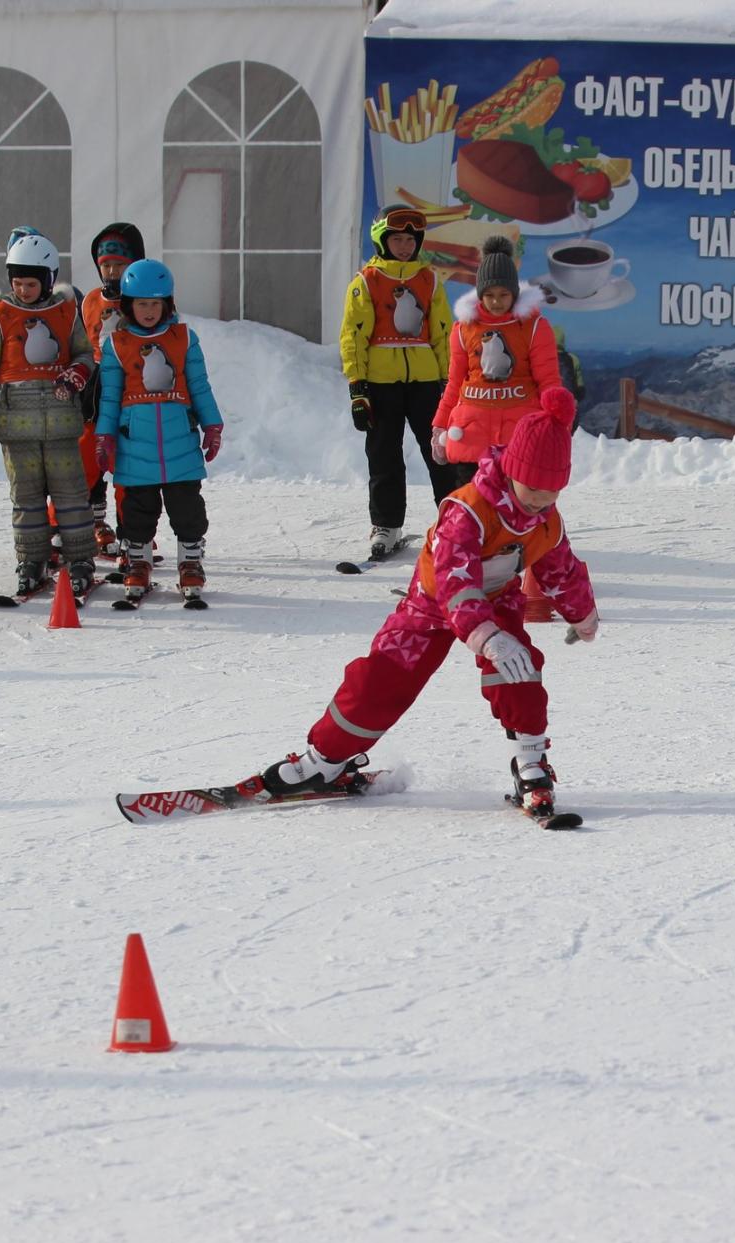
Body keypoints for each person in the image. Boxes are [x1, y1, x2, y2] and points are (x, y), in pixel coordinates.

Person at [259, 387, 598, 822]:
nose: (539, 500)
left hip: (495, 605)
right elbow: (455, 584)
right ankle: (324, 760)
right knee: (380, 680)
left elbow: (560, 569)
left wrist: (581, 613)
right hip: (433, 606)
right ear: (513, 469)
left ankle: (531, 766)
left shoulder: (545, 519)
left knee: (521, 668)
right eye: (533, 487)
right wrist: (487, 637)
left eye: (551, 492)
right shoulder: (467, 510)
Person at [0, 231, 96, 597]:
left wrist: (77, 372)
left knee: (70, 496)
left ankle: (79, 558)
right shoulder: (1, 316)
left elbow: (84, 354)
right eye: (17, 283)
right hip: (17, 426)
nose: (23, 290)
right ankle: (32, 559)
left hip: (62, 424)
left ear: (48, 279)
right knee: (27, 499)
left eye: (31, 283)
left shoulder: (67, 312)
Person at [92, 259, 224, 604]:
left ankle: (191, 562)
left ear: (167, 303)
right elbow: (108, 397)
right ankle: (138, 563)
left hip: (180, 441)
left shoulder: (183, 338)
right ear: (127, 305)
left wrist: (212, 424)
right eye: (141, 303)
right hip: (135, 444)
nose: (149, 311)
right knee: (137, 510)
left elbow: (199, 385)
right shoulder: (116, 344)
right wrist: (104, 436)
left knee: (188, 509)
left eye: (155, 303)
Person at [342, 205, 457, 561]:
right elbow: (353, 336)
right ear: (382, 240)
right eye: (397, 239)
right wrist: (358, 387)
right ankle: (386, 524)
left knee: (441, 453)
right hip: (380, 383)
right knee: (384, 455)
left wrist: (448, 383)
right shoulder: (367, 282)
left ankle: (455, 520)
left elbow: (443, 334)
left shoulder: (430, 280)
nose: (405, 246)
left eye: (411, 239)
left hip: (425, 382)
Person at [432, 236, 564, 471]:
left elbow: (548, 382)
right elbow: (454, 382)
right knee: (472, 506)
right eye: (489, 295)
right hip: (469, 436)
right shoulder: (463, 328)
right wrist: (440, 425)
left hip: (518, 436)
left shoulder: (534, 326)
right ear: (480, 294)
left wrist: (557, 422)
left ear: (514, 292)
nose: (496, 301)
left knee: (515, 505)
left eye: (503, 294)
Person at [77, 222, 147, 555]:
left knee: (129, 470)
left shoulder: (146, 301)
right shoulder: (91, 300)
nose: (112, 271)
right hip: (95, 394)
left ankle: (133, 534)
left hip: (133, 395)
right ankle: (81, 525)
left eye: (120, 264)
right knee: (86, 459)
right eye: (105, 265)